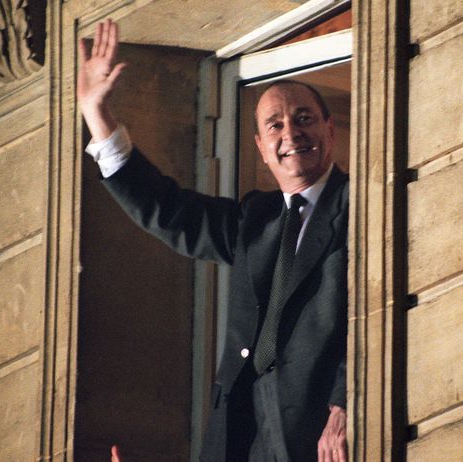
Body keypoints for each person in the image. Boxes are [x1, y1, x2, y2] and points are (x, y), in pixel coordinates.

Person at [78, 19, 348, 462]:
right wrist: (97, 115)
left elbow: (377, 311)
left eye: (303, 119)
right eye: (275, 125)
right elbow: (169, 212)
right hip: (243, 431)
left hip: (317, 432)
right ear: (261, 147)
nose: (291, 134)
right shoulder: (255, 219)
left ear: (330, 130)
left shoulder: (362, 207)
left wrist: (347, 402)